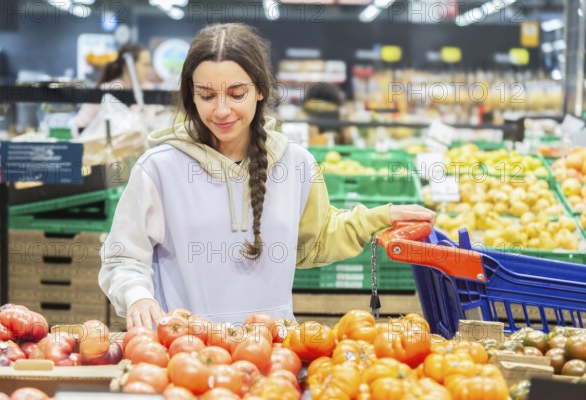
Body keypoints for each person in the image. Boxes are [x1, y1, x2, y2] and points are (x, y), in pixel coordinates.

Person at [99, 23, 436, 330]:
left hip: (271, 356)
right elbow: (122, 256)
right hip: (186, 357)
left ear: (260, 89)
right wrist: (137, 296)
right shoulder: (159, 168)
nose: (221, 110)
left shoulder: (297, 164)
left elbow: (312, 243)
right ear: (191, 94)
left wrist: (379, 218)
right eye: (206, 95)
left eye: (236, 93)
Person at [72, 44, 154, 134]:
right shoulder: (106, 91)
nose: (150, 70)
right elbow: (80, 125)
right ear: (127, 65)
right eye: (145, 65)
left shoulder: (149, 91)